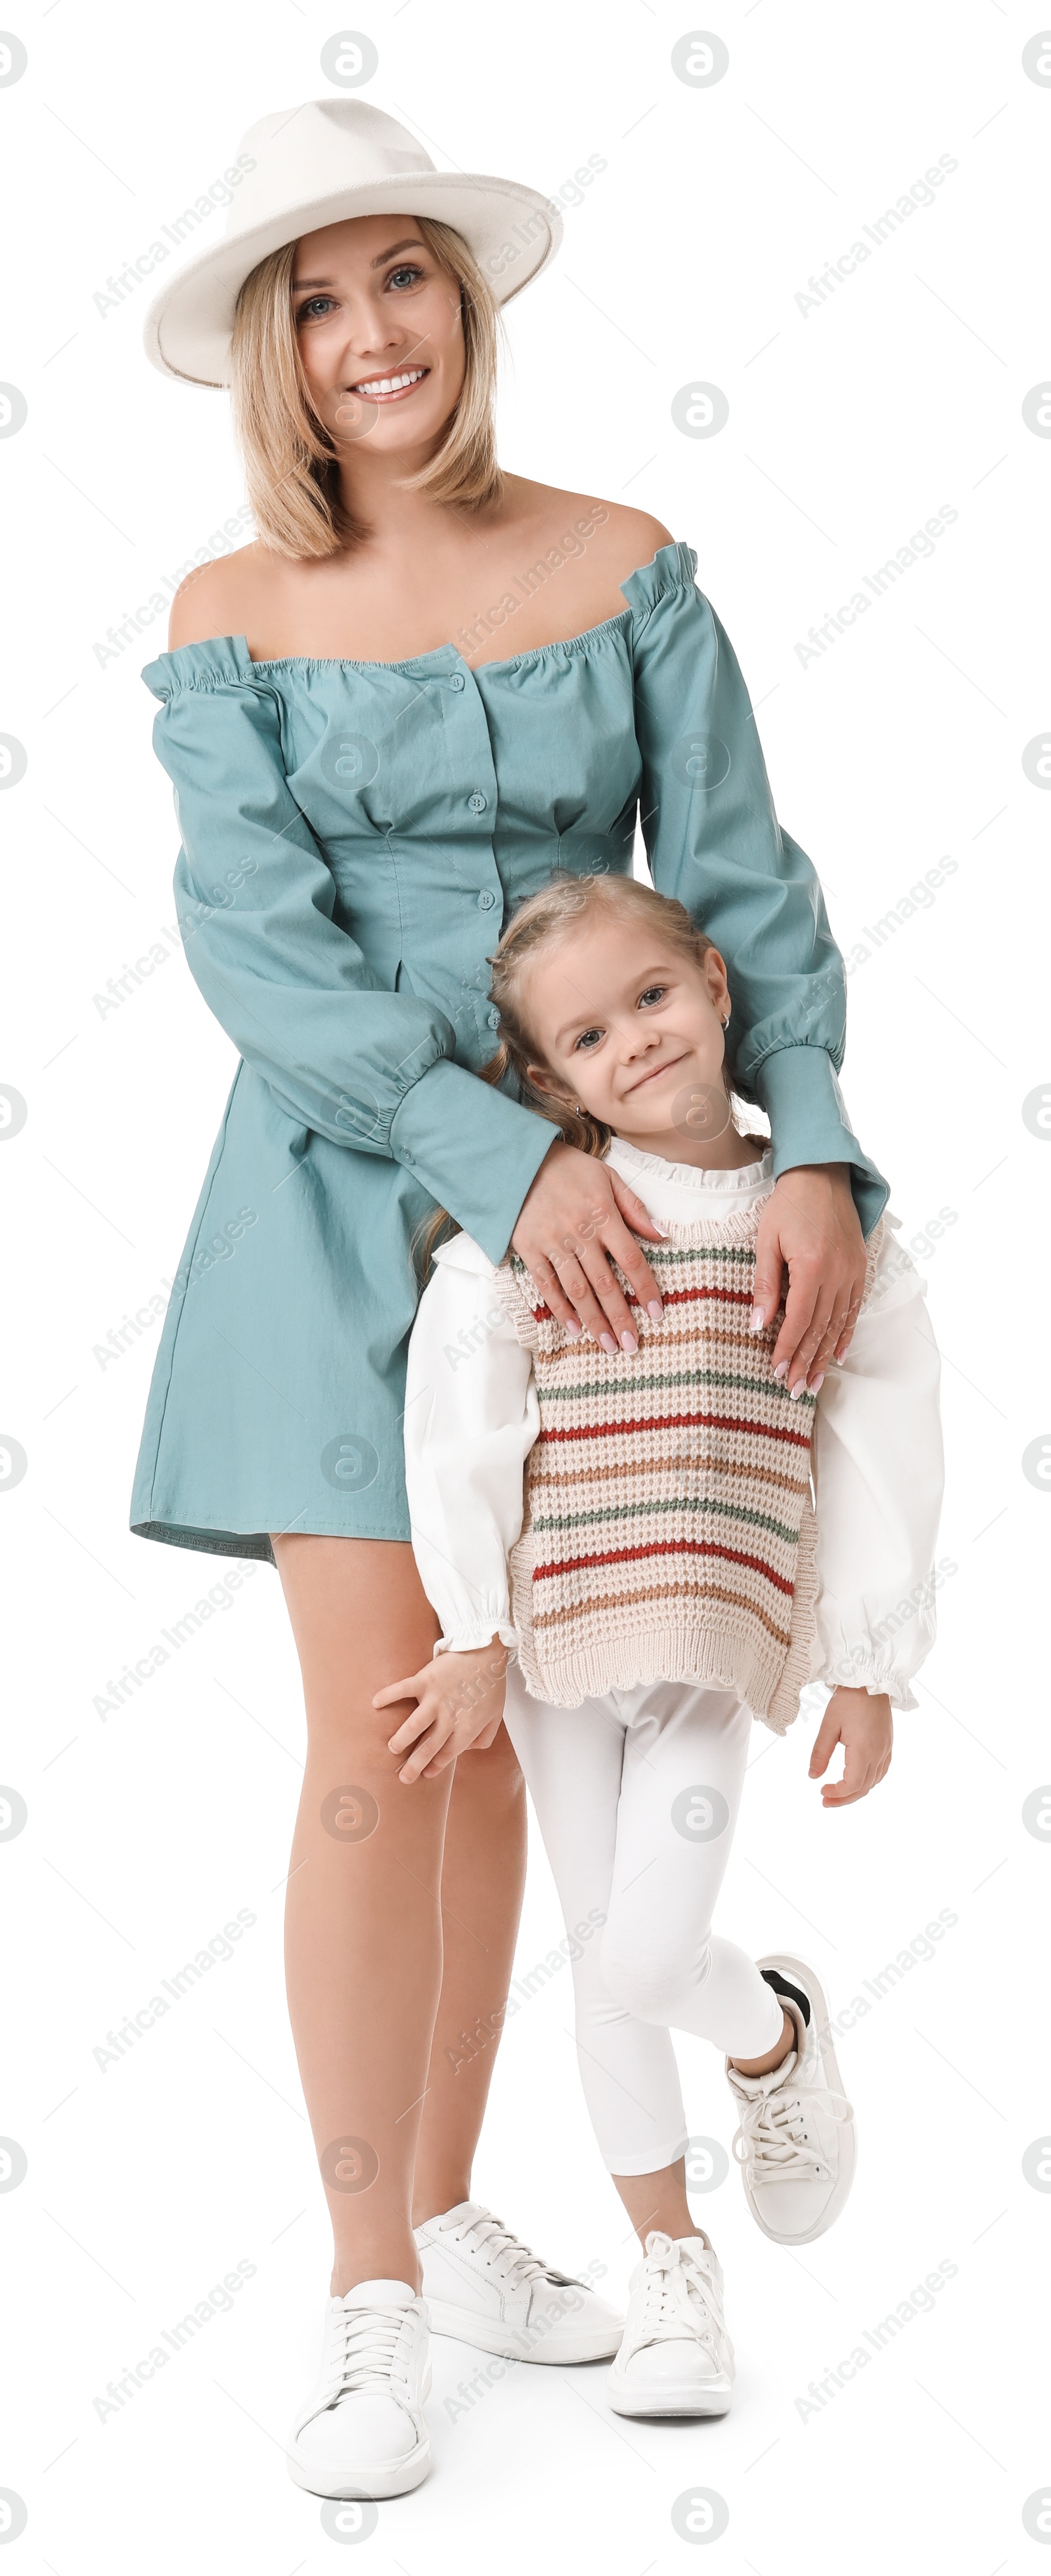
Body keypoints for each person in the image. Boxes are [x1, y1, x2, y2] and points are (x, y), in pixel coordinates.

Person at [131, 94, 892, 2498]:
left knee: (525, 1738)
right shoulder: (226, 618)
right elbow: (257, 955)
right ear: (275, 344)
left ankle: (476, 2203)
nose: (373, 333)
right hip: (341, 1214)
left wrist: (831, 1156)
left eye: (408, 279)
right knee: (384, 1753)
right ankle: (375, 2301)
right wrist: (491, 1155)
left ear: (472, 301)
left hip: (638, 1225)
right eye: (320, 297)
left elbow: (747, 895)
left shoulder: (633, 561)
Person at [392, 871, 943, 2419]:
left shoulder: (813, 1221)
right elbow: (466, 1421)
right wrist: (472, 1630)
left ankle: (769, 2029)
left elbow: (882, 1438)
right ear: (545, 1082)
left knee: (647, 1954)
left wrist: (866, 1659)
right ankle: (670, 2282)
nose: (632, 1043)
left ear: (712, 981)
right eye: (585, 1036)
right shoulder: (544, 1232)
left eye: (650, 998)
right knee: (601, 1971)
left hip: (707, 1643)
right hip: (562, 1643)